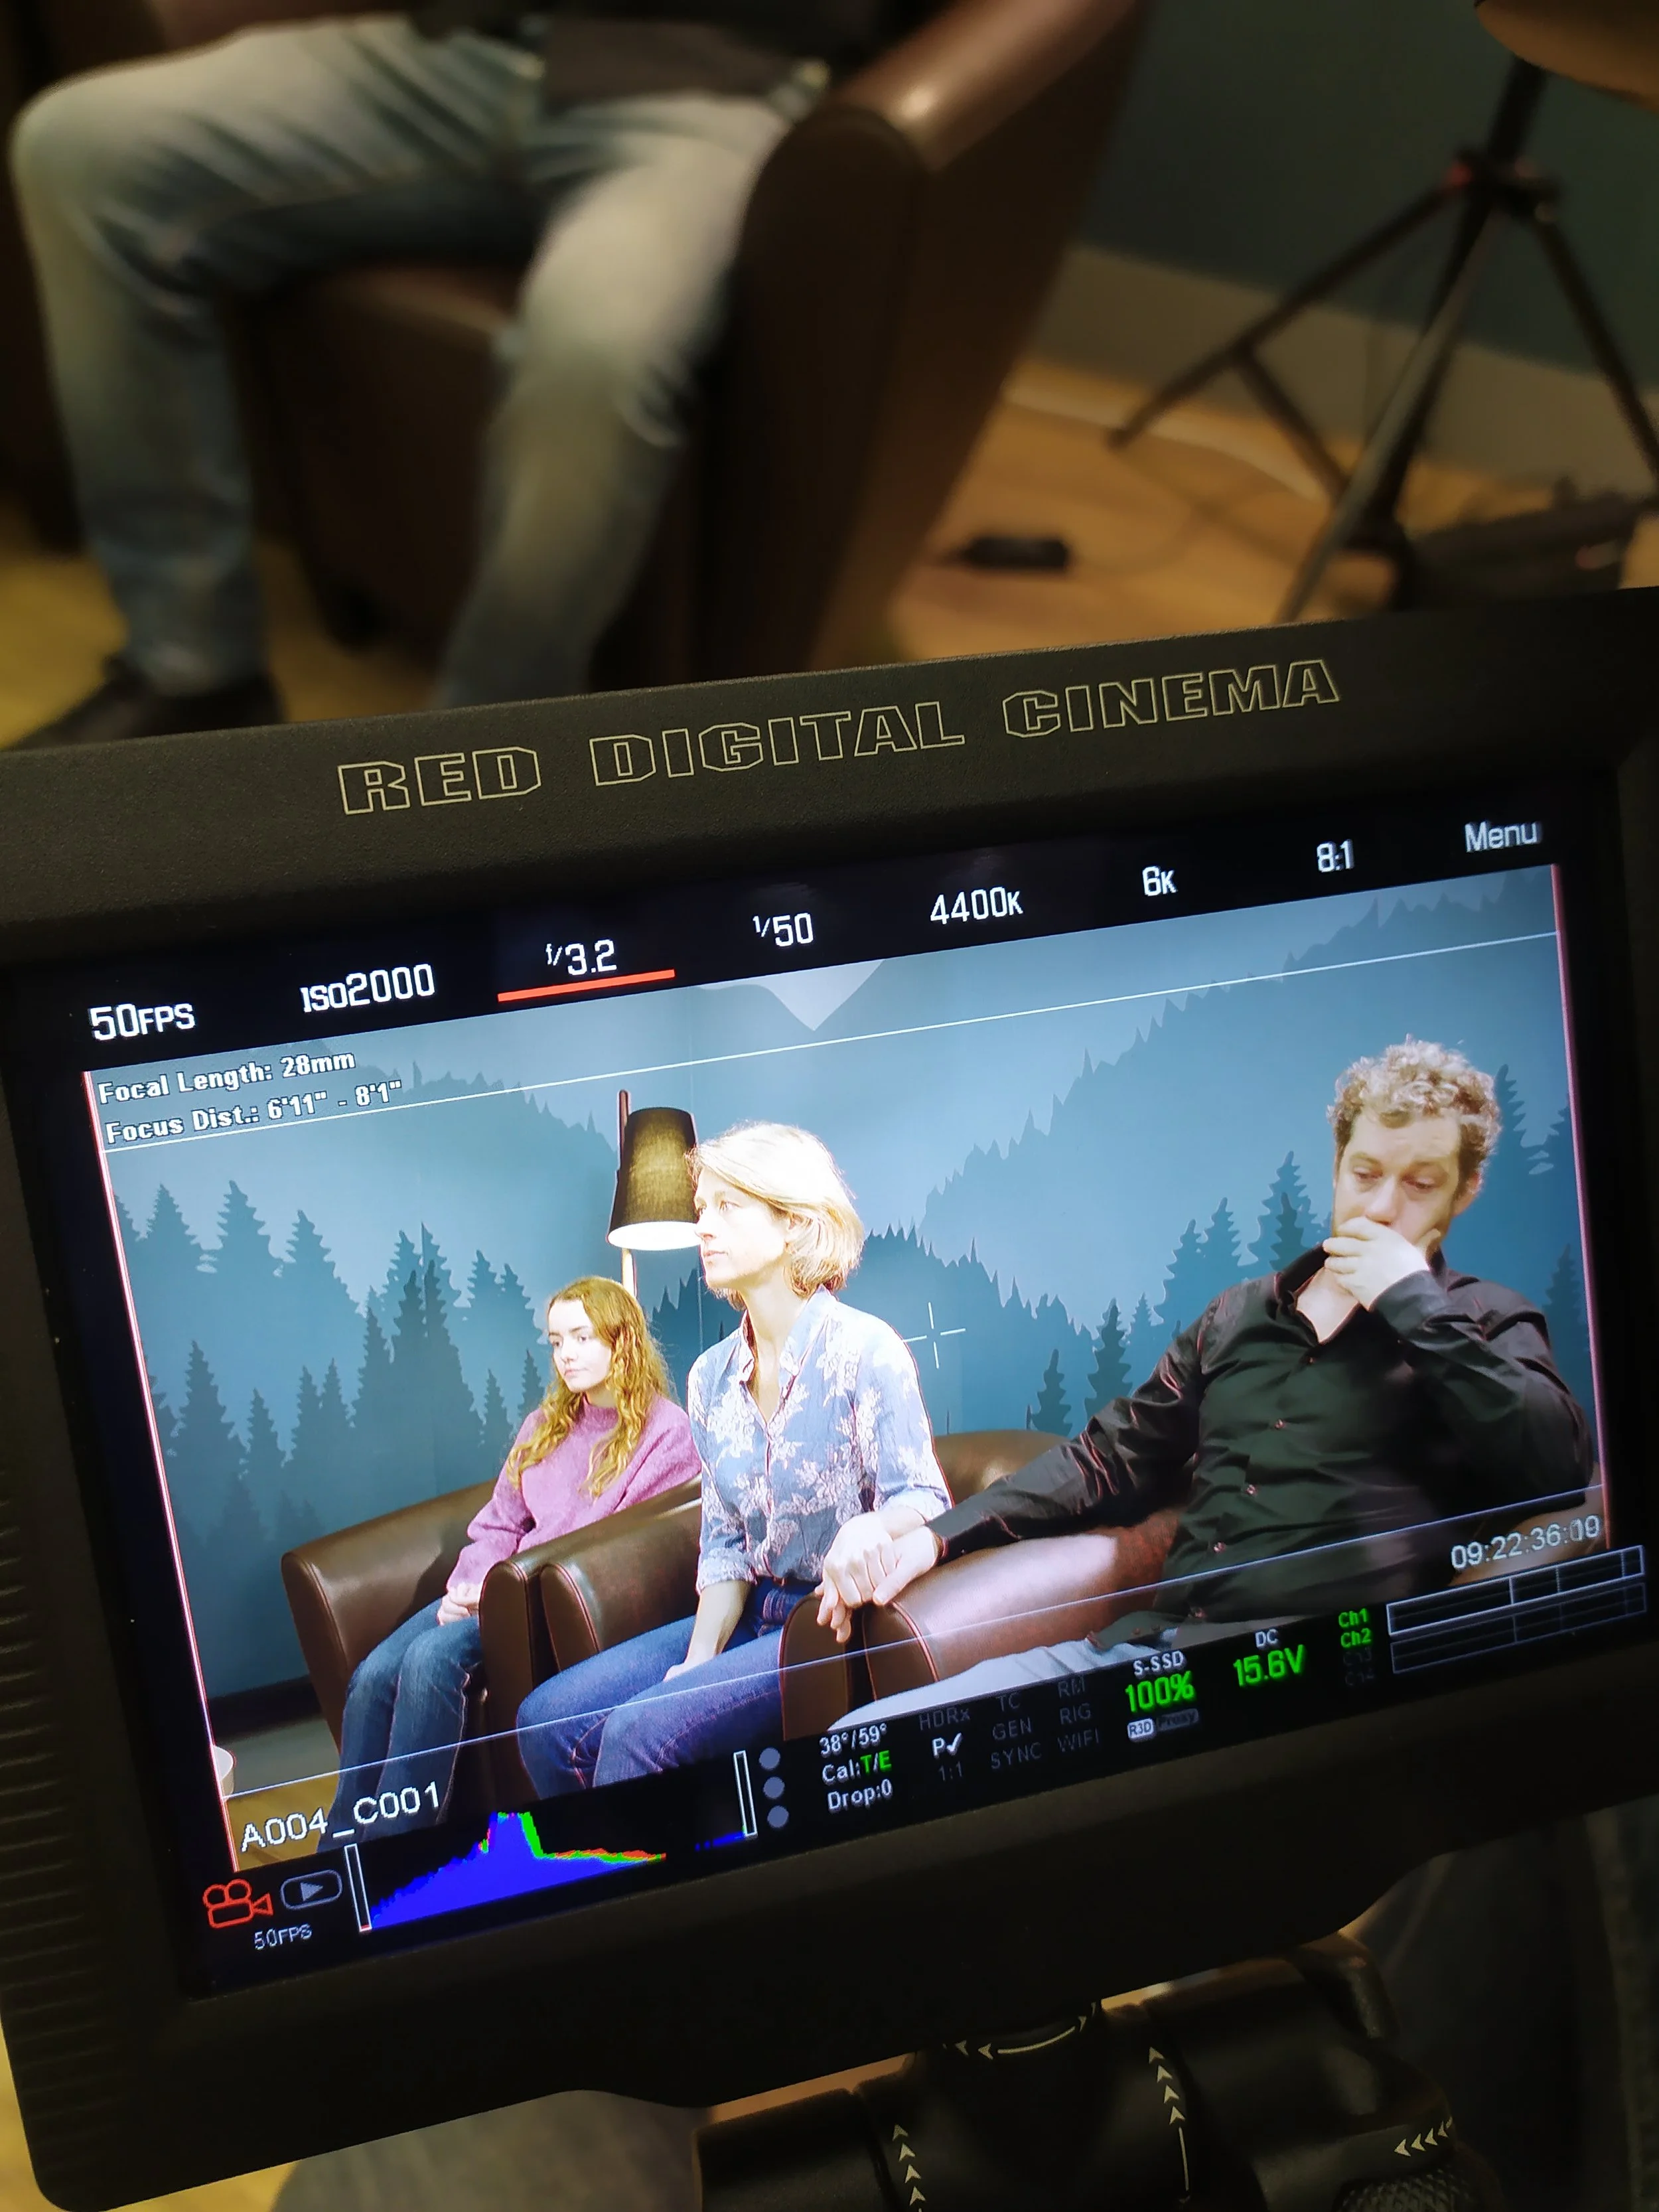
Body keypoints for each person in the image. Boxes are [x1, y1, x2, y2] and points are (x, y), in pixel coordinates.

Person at [7, 1, 926, 749]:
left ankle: (486, 754)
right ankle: (193, 669)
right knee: (79, 145)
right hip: (467, 46)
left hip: (721, 80)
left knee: (597, 345)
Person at [817, 1040, 1597, 1718]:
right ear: (1337, 1168)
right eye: (1365, 1174)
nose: (1383, 1207)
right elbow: (1105, 1460)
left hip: (1321, 1678)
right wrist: (932, 1539)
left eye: (1420, 1184)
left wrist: (1413, 1302)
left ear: (1465, 1190)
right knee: (871, 1739)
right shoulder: (1239, 1315)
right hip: (1153, 1658)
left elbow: (1559, 1469)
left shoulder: (1485, 1321)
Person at [515, 1121, 951, 1794]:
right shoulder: (709, 1378)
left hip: (830, 1622)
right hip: (752, 1610)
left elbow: (926, 1498)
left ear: (792, 1223)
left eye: (727, 1207)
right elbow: (724, 1545)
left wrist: (875, 1526)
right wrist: (699, 1661)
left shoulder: (866, 1351)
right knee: (544, 1722)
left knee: (637, 1734)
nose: (704, 1227)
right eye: (702, 1208)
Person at [328, 1275, 699, 1833]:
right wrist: (469, 1586)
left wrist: (501, 1594)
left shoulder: (666, 1433)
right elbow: (500, 1521)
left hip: (544, 1601)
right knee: (373, 1675)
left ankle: (397, 1846)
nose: (566, 1354)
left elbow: (621, 1556)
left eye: (582, 1337)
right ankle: (342, 1844)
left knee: (429, 1661)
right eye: (557, 1341)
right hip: (494, 1586)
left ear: (621, 1339)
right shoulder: (545, 1425)